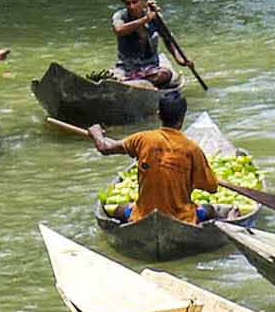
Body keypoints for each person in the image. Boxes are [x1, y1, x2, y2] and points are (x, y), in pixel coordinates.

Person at [86, 89, 217, 225]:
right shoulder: (192, 149)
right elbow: (212, 187)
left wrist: (97, 134)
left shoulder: (143, 139)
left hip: (143, 216)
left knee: (119, 209)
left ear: (159, 114)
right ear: (183, 117)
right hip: (181, 218)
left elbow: (105, 148)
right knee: (210, 209)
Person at [109, 0, 179, 88]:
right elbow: (119, 30)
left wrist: (181, 60)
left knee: (164, 74)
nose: (132, 6)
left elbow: (168, 39)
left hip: (150, 67)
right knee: (110, 77)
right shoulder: (120, 16)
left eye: (135, 2)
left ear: (142, 1)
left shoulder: (155, 17)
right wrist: (145, 19)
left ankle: (134, 83)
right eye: (128, 3)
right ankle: (132, 82)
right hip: (126, 67)